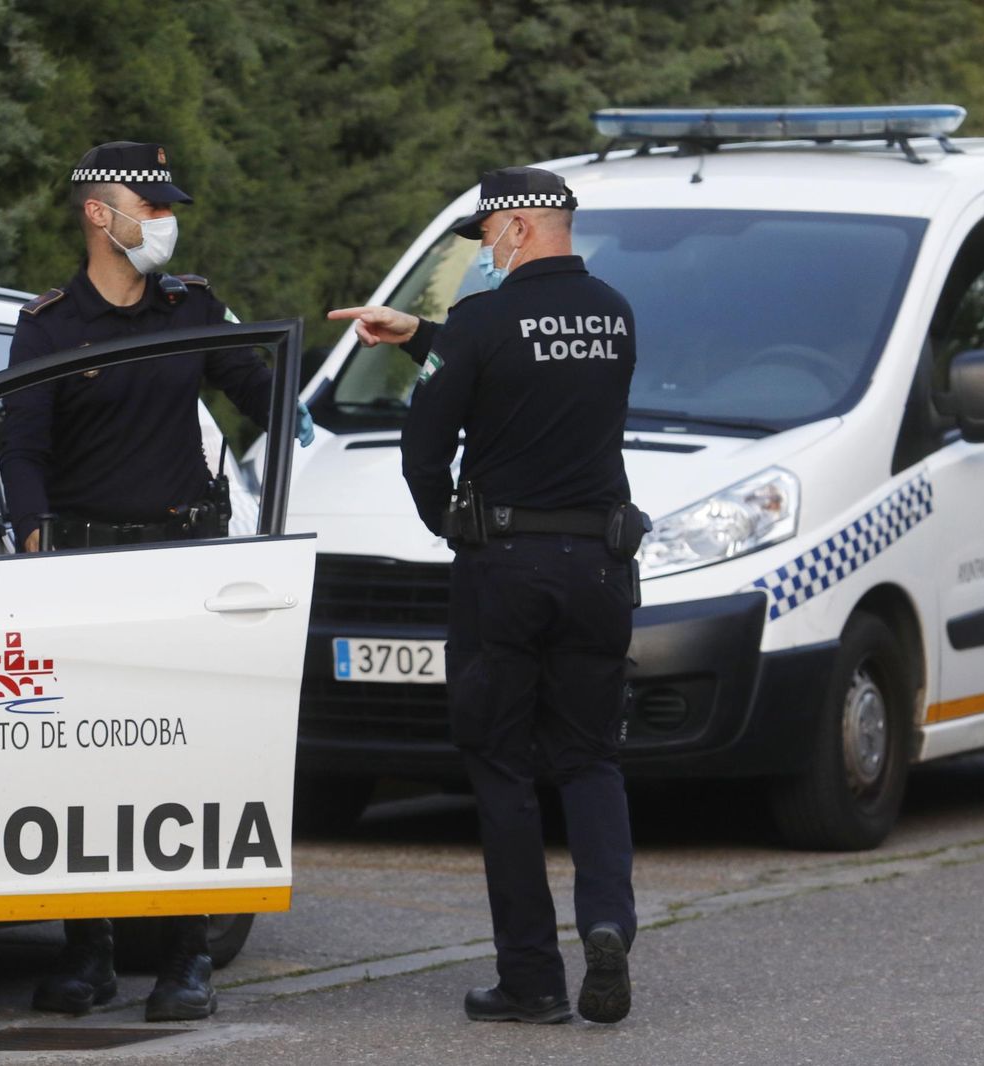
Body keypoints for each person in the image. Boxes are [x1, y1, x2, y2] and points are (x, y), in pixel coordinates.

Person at [0, 140, 310, 1021]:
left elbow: (262, 395)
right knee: (83, 765)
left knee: (186, 759)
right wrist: (31, 542)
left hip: (183, 562)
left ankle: (186, 957)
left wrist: (313, 387)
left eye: (169, 207)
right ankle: (88, 952)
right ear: (101, 214)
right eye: (152, 206)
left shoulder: (191, 306)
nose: (165, 222)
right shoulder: (50, 325)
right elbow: (22, 447)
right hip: (88, 568)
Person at [329, 166, 640, 1026]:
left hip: (505, 567)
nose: (483, 254)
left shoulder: (482, 319)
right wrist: (426, 334)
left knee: (501, 766)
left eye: (486, 237)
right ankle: (609, 924)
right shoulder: (615, 314)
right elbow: (526, 366)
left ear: (516, 227)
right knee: (590, 759)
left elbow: (424, 443)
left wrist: (448, 523)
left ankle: (533, 979)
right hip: (602, 565)